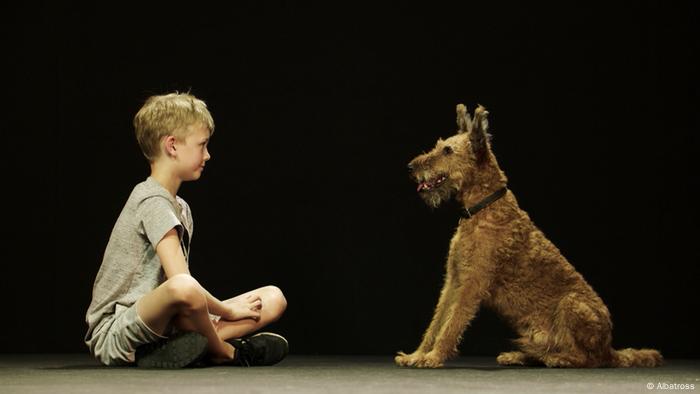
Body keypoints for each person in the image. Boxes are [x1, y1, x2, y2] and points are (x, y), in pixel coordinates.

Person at [84, 92, 288, 368]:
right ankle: (225, 351)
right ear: (172, 146)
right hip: (118, 332)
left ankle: (176, 349)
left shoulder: (181, 208)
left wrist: (221, 310)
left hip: (164, 326)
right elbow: (181, 283)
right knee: (184, 286)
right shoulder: (151, 200)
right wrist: (227, 309)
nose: (208, 154)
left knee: (273, 298)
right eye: (202, 145)